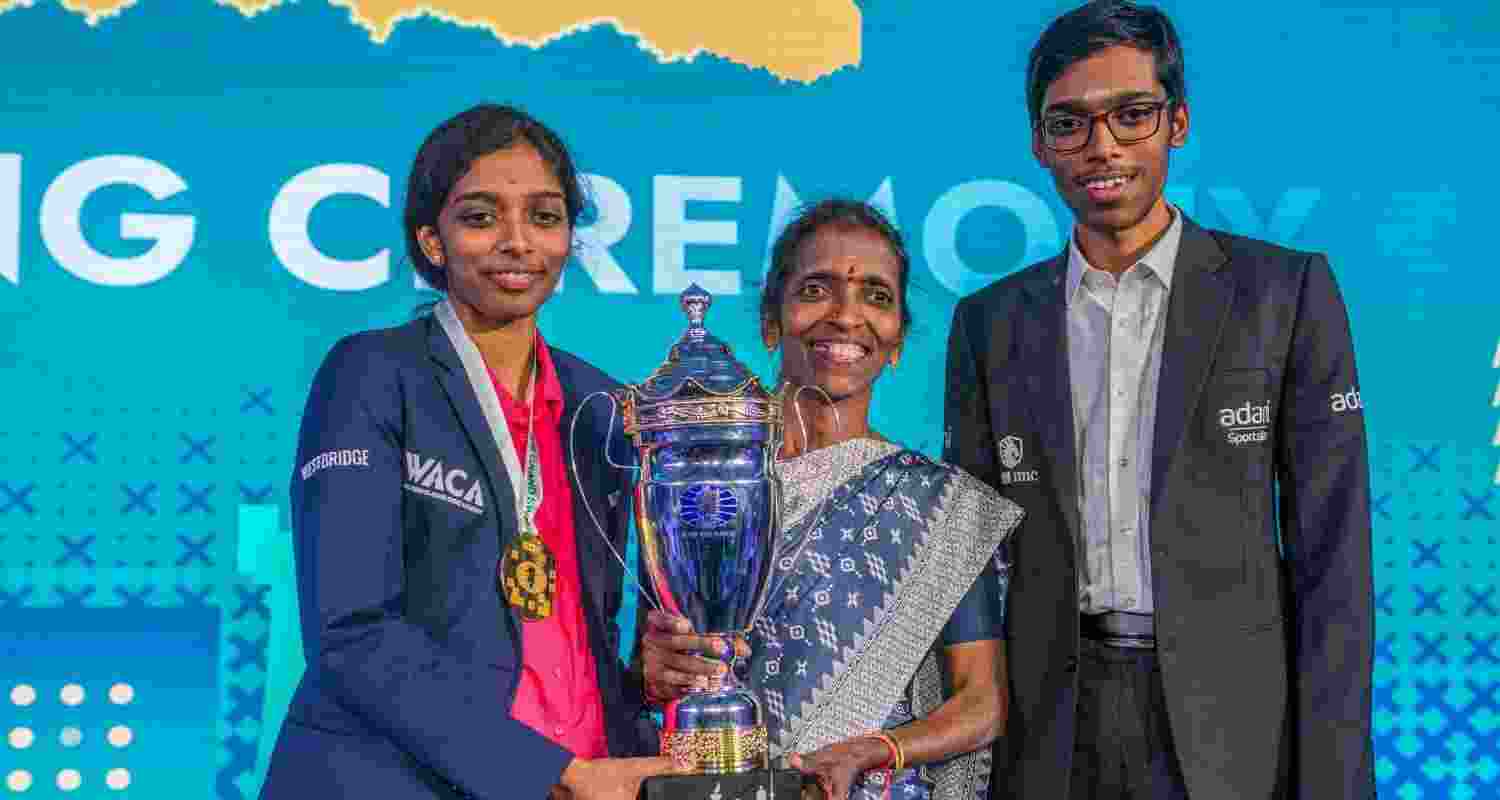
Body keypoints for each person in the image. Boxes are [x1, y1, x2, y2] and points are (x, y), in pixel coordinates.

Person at [943, 3, 1375, 798]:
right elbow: (968, 559)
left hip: (1233, 729)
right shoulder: (989, 324)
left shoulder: (1284, 295)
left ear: (1177, 122)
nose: (1102, 146)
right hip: (1047, 729)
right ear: (1039, 143)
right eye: (1069, 123)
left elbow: (1334, 566)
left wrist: (1335, 782)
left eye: (1131, 114)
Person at [259, 104, 678, 800]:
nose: (518, 242)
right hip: (403, 782)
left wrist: (644, 679)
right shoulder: (373, 375)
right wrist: (553, 776)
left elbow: (575, 636)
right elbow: (353, 632)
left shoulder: (602, 406)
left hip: (585, 774)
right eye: (481, 217)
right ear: (432, 240)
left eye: (544, 217)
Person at [641, 199, 1024, 800]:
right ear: (772, 321)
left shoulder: (941, 506)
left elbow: (982, 702)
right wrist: (656, 674)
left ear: (897, 341)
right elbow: (648, 669)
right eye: (816, 290)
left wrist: (874, 750)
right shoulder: (695, 483)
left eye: (876, 296)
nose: (847, 316)